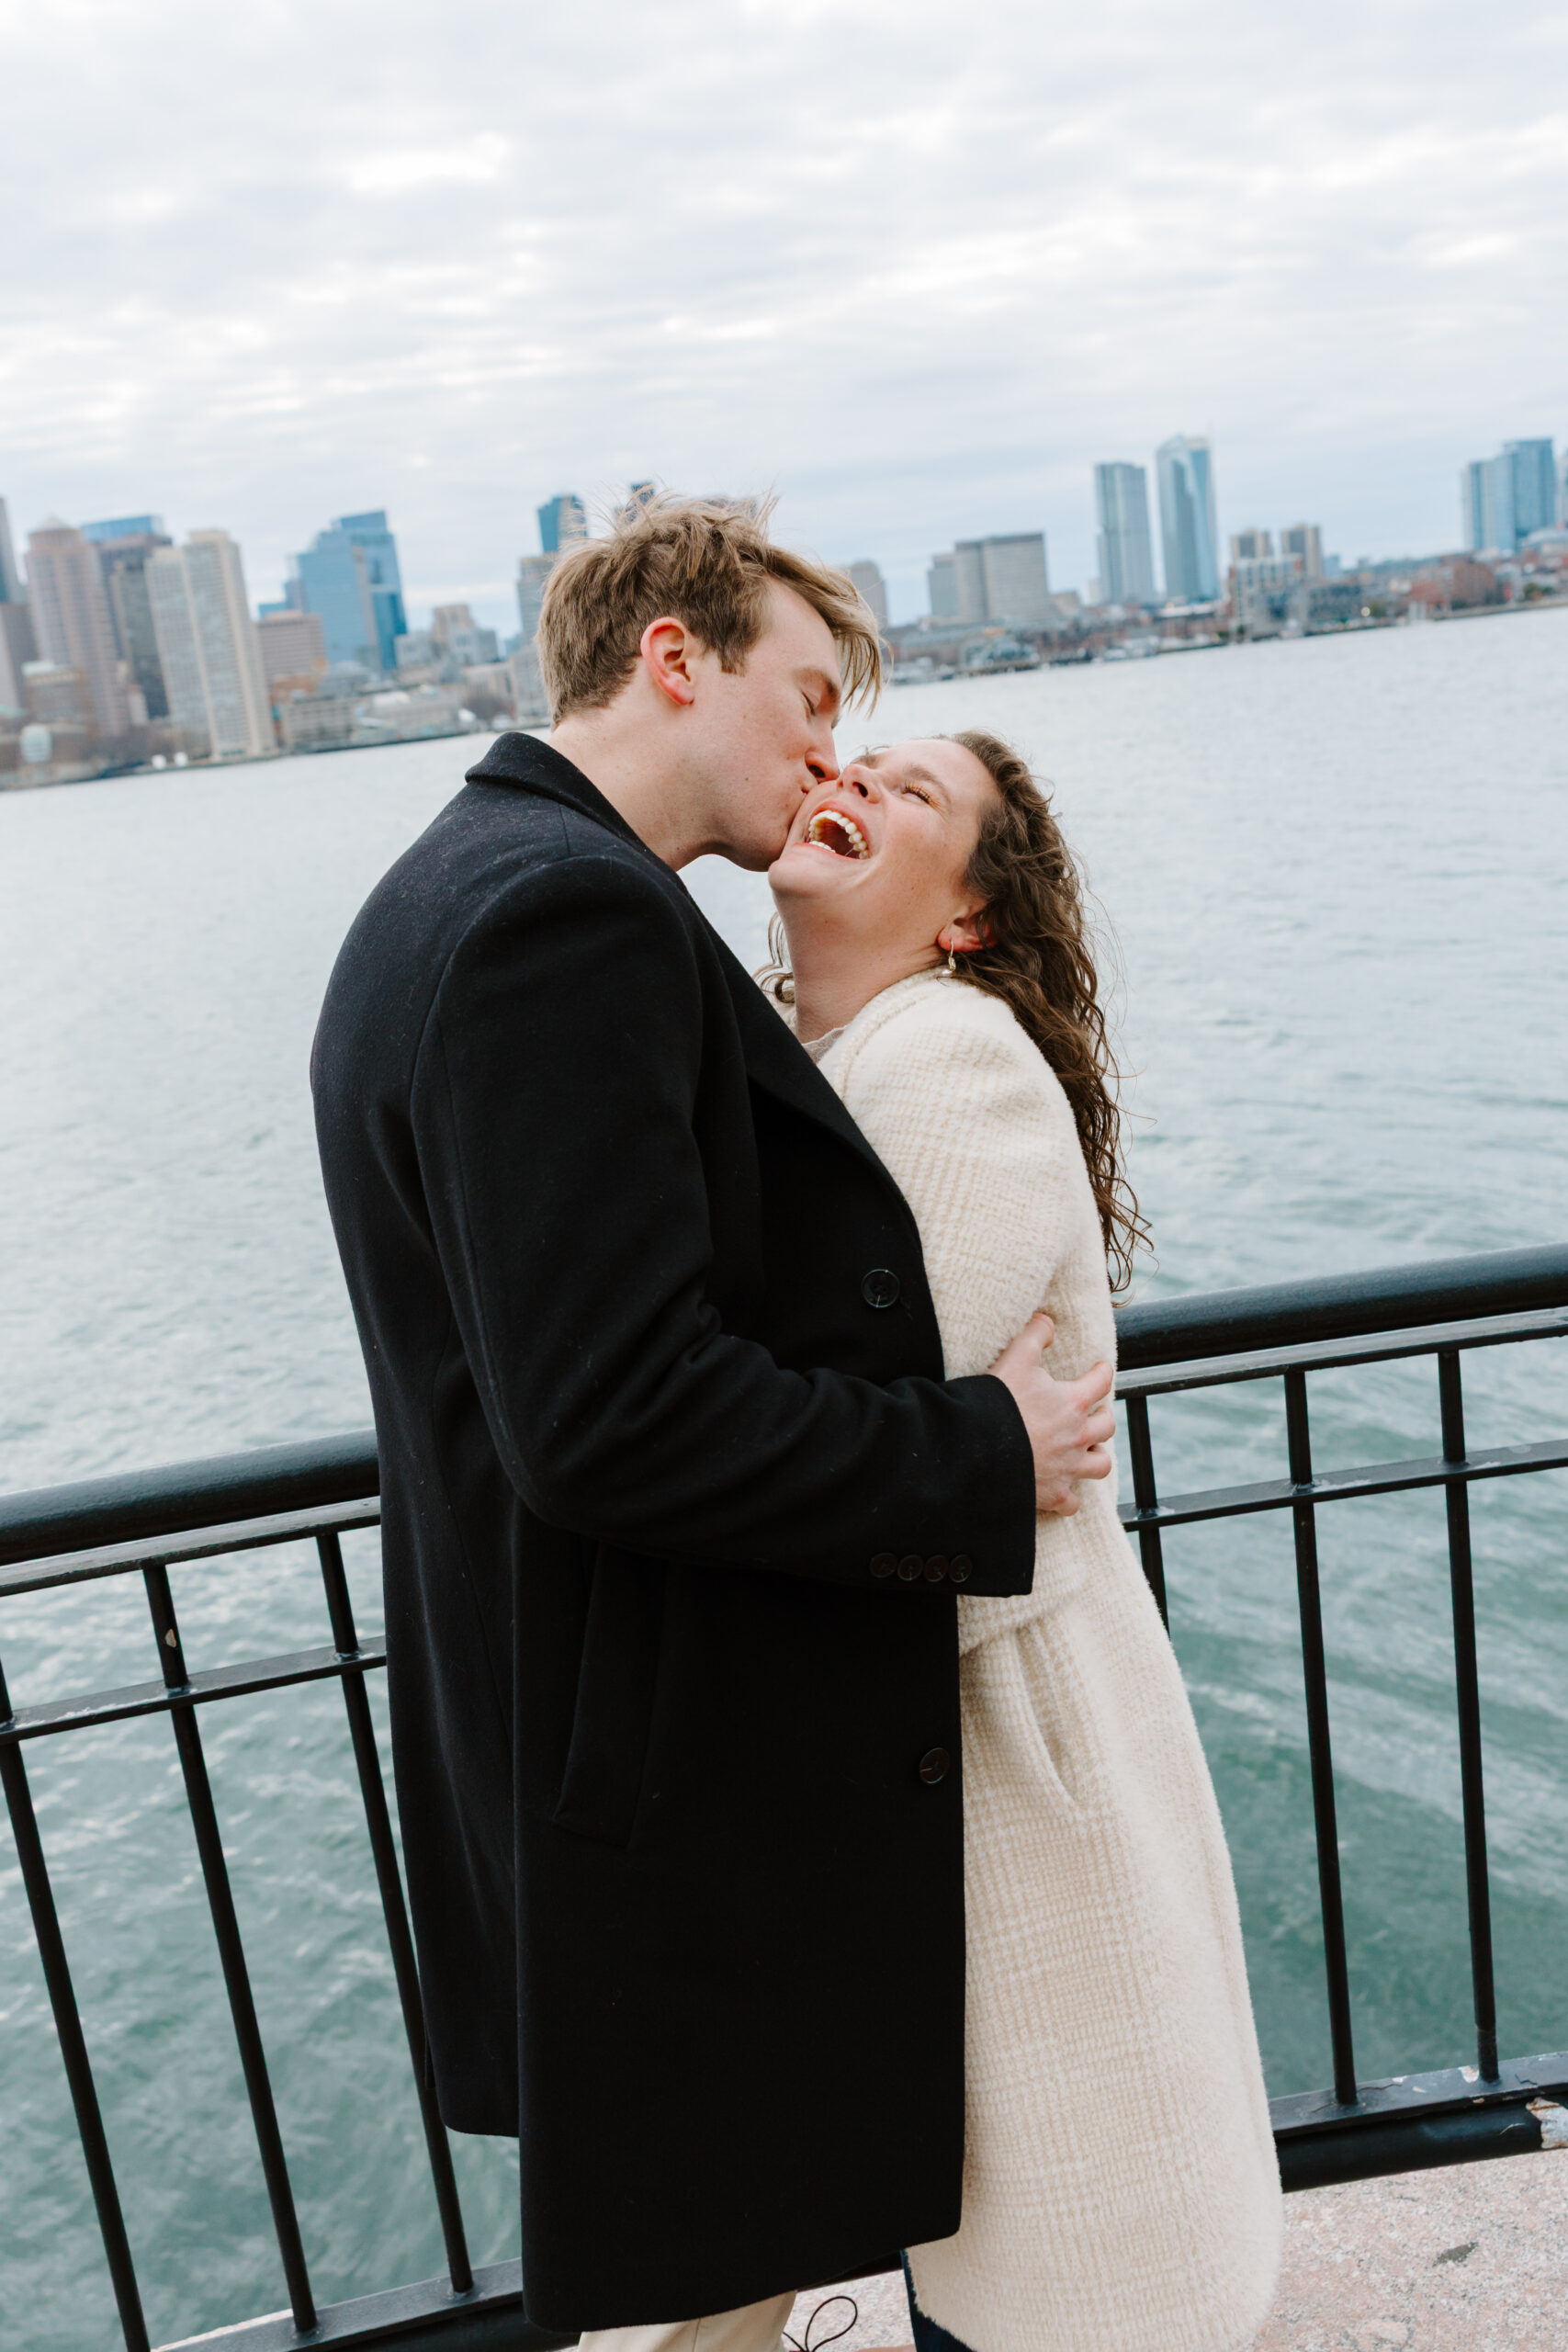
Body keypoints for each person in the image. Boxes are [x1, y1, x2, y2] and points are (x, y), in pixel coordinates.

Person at [310, 497, 1117, 2348]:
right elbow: (607, 1411)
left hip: (564, 1719)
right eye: (809, 692)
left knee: (708, 2289)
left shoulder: (455, 879)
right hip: (646, 1756)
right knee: (697, 2299)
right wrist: (977, 1454)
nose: (828, 748)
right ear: (672, 658)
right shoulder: (566, 913)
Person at [764, 729, 1283, 2352]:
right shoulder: (811, 1049)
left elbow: (872, 1405)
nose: (856, 783)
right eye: (853, 762)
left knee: (1063, 2241)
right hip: (928, 1727)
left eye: (914, 793)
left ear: (967, 917)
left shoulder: (948, 1058)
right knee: (981, 2221)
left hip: (1003, 1732)